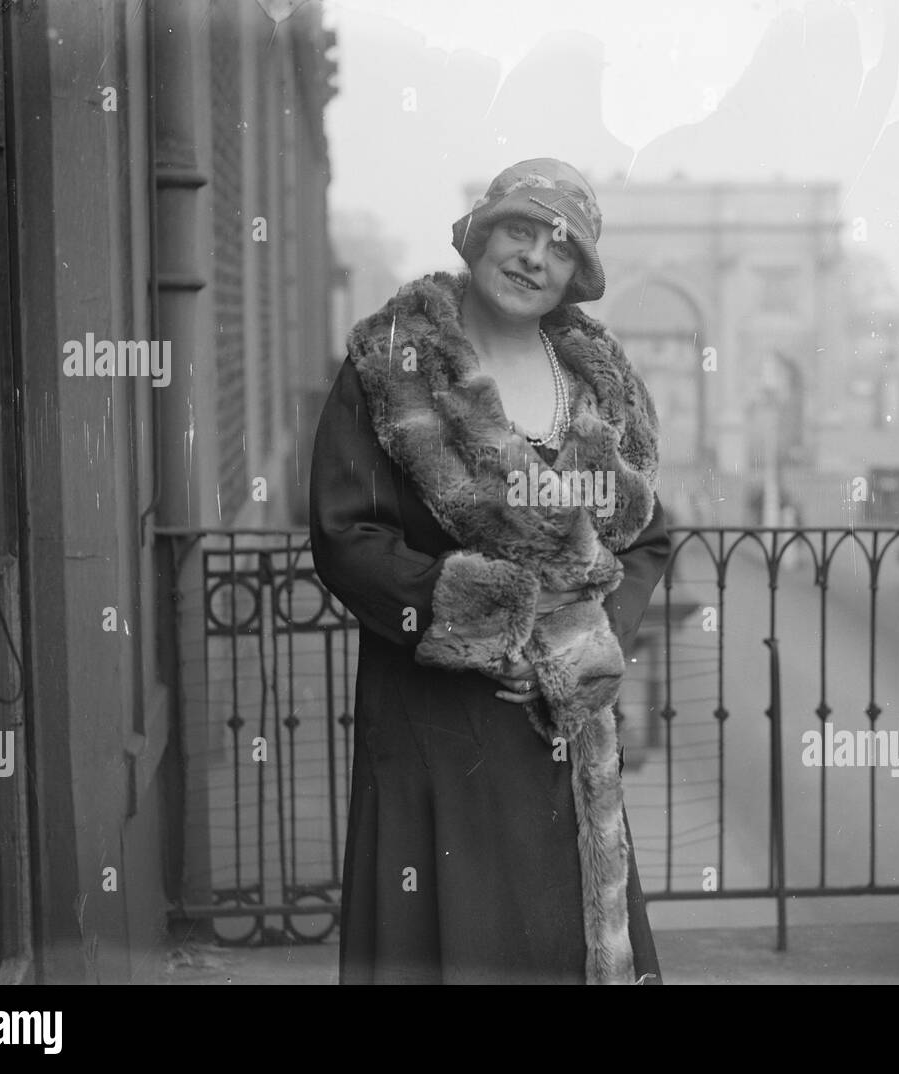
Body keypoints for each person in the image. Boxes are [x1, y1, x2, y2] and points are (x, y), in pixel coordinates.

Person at [309, 158, 669, 984]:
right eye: (519, 229)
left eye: (561, 248)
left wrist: (585, 641)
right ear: (478, 233)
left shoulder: (598, 395)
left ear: (575, 276)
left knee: (565, 937)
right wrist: (486, 620)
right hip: (436, 724)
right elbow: (344, 534)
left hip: (563, 732)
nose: (535, 257)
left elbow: (647, 535)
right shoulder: (390, 365)